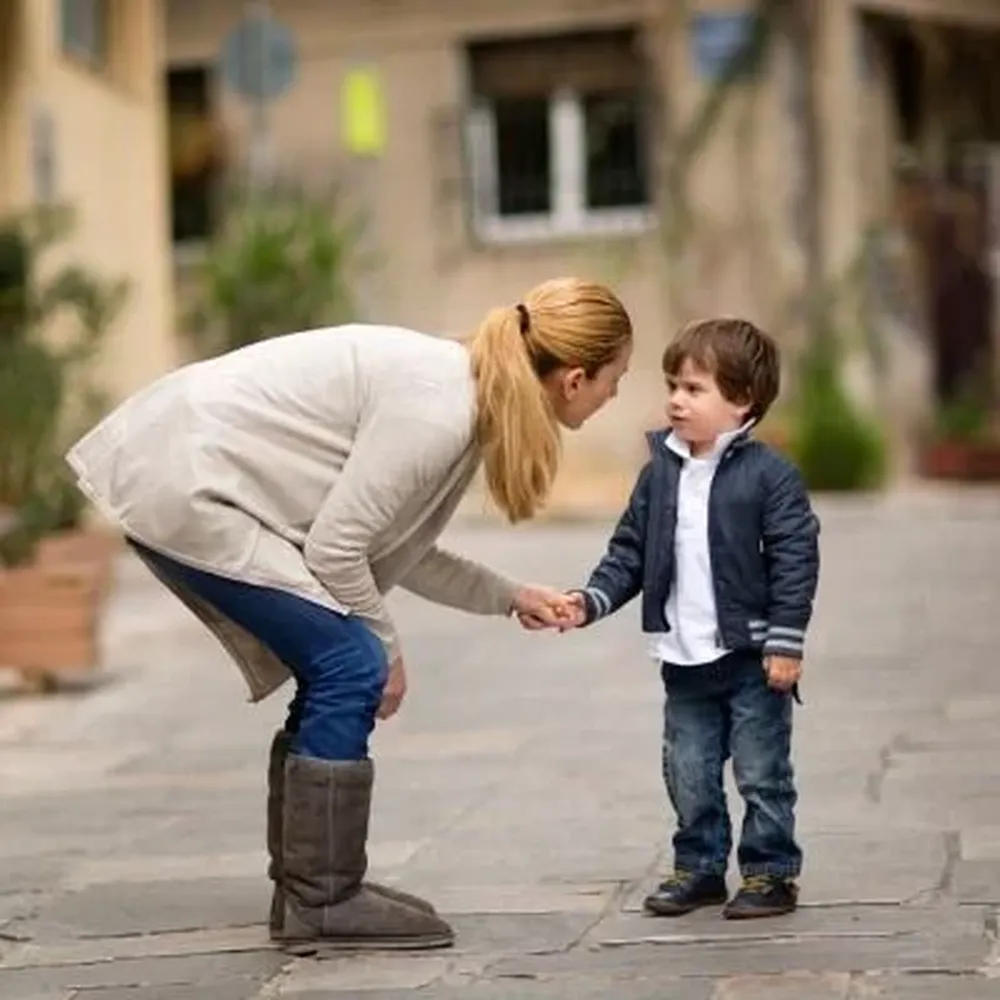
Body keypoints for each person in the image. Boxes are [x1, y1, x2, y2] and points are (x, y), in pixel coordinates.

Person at [65, 277, 633, 952]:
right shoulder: (442, 407)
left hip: (187, 473)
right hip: (187, 482)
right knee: (350, 662)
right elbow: (339, 548)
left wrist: (510, 595)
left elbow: (400, 547)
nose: (613, 396)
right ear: (574, 378)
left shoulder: (463, 395)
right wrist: (387, 653)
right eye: (615, 381)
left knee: (337, 659)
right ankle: (324, 898)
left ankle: (311, 887)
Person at [555, 317, 819, 920]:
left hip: (752, 656)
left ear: (742, 401)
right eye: (674, 384)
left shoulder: (770, 477)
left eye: (695, 389)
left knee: (761, 771)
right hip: (684, 657)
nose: (676, 398)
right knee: (689, 771)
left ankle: (769, 872)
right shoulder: (660, 474)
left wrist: (785, 641)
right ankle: (699, 867)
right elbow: (628, 551)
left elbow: (795, 559)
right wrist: (591, 599)